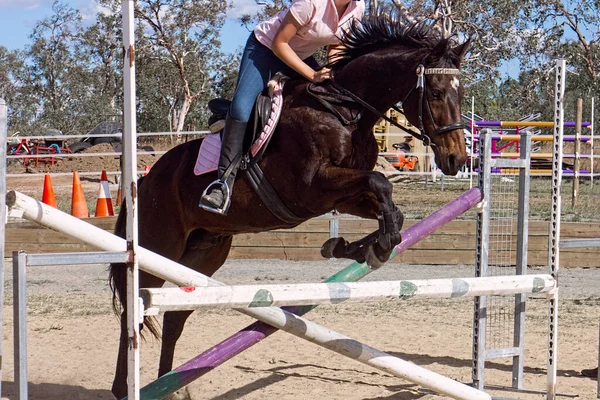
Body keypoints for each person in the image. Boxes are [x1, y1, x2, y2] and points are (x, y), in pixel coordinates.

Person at [199, 0, 365, 214]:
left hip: (299, 57)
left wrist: (334, 71)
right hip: (265, 51)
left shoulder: (357, 8)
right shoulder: (311, 3)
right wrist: (313, 75)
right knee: (241, 108)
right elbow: (280, 44)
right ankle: (222, 184)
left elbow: (337, 45)